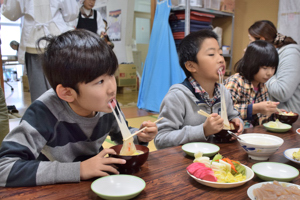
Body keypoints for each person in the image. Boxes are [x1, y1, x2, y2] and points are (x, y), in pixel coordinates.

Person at [0, 29, 158, 187]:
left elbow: (122, 136)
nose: (112, 88)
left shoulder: (107, 105)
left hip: (98, 181)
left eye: (111, 75)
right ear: (67, 93)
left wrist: (140, 137)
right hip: (54, 187)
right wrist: (79, 169)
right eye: (100, 82)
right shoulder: (44, 112)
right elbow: (4, 168)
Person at [154, 29, 243, 149]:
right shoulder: (177, 97)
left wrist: (238, 122)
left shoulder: (223, 92)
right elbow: (161, 139)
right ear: (191, 66)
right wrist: (203, 130)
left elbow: (233, 116)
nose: (221, 59)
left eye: (220, 53)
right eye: (212, 54)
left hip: (218, 158)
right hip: (185, 162)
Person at [1, 0, 79, 102]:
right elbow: (71, 14)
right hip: (56, 39)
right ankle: (63, 117)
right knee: (63, 89)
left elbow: (11, 13)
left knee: (39, 95)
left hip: (33, 40)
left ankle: (44, 116)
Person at [248, 20, 300, 114]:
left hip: (289, 118)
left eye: (250, 41)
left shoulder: (290, 54)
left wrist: (262, 70)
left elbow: (282, 92)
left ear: (262, 40)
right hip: (272, 117)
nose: (249, 45)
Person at [224, 40, 279, 127]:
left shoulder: (262, 86)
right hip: (235, 133)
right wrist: (254, 108)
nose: (269, 73)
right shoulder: (236, 82)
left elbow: (262, 118)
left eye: (272, 67)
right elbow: (224, 111)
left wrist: (274, 113)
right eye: (265, 68)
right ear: (251, 64)